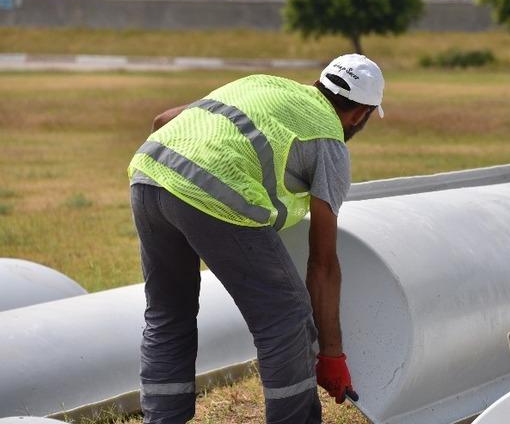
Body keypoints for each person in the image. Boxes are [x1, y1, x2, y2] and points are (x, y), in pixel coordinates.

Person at [127, 53, 384, 424]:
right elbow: (323, 263)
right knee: (286, 318)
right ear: (361, 114)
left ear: (320, 83)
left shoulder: (263, 83)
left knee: (168, 313)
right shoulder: (329, 140)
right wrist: (331, 355)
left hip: (150, 174)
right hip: (217, 193)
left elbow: (162, 120)